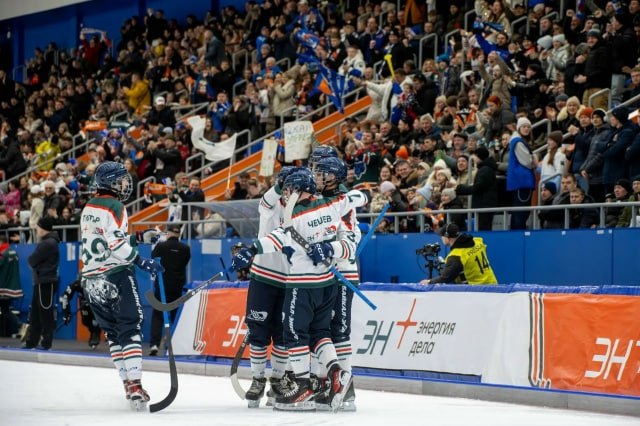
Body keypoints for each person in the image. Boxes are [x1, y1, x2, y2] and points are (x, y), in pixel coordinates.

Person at [231, 169, 355, 412]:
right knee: (319, 333)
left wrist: (251, 249)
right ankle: (336, 372)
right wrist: (331, 249)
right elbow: (354, 215)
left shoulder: (295, 215)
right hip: (324, 282)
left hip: (301, 283)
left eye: (288, 187)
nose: (285, 192)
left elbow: (278, 238)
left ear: (295, 190)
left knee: (293, 334)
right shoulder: (330, 205)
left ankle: (301, 387)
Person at [80, 161, 164, 410]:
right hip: (115, 274)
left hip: (91, 279)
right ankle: (136, 385)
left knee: (114, 334)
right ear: (110, 182)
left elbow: (105, 239)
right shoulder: (116, 206)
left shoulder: (89, 206)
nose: (126, 184)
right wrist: (142, 262)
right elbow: (115, 246)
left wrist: (137, 238)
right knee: (130, 328)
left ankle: (128, 384)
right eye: (121, 180)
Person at [149, 224, 191, 356]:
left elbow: (153, 259)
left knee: (158, 315)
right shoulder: (185, 249)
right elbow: (184, 263)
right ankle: (173, 344)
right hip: (177, 287)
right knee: (175, 316)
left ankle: (154, 344)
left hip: (162, 286)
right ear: (179, 234)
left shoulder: (161, 246)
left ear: (168, 233)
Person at [420, 223, 497, 285]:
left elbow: (446, 277)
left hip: (478, 290)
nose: (441, 238)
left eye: (442, 236)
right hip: (493, 284)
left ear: (447, 237)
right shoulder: (477, 241)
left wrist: (429, 282)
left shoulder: (456, 256)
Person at [24, 217, 60, 350]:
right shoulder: (48, 242)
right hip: (41, 281)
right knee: (36, 313)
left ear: (43, 228)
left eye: (38, 227)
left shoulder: (48, 243)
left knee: (45, 313)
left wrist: (35, 265)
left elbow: (32, 260)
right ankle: (32, 342)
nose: (36, 229)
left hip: (46, 282)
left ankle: (45, 343)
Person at [59, 278, 102, 349]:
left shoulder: (99, 282)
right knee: (85, 321)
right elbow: (65, 297)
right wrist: (66, 314)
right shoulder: (76, 284)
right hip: (84, 305)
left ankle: (96, 334)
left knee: (96, 321)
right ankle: (93, 331)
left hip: (97, 304)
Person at [0, 234, 22, 337]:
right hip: (13, 288)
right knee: (5, 310)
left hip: (4, 288)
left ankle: (21, 325)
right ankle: (21, 325)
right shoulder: (14, 252)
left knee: (5, 310)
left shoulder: (2, 254)